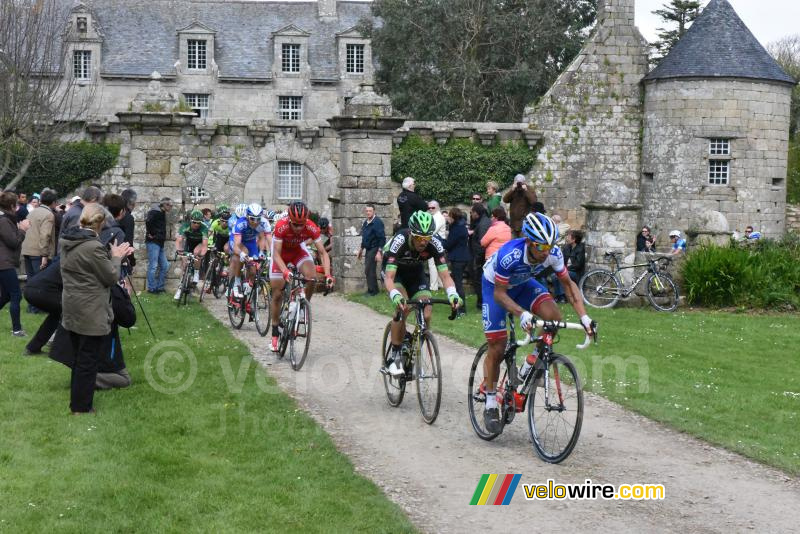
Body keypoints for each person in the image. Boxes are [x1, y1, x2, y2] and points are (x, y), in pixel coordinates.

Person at [480, 213, 596, 432]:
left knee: (553, 318)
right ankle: (490, 402)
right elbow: (500, 294)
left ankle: (528, 365)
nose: (547, 252)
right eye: (541, 247)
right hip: (495, 288)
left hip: (523, 284)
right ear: (529, 242)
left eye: (550, 246)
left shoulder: (552, 253)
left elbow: (569, 286)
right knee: (498, 345)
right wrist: (522, 314)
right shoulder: (510, 254)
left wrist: (585, 317)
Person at [60, 203, 133, 414]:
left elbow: (88, 270)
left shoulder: (69, 240)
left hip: (72, 304)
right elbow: (110, 276)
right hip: (90, 309)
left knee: (79, 358)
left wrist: (109, 256)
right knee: (88, 360)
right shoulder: (92, 246)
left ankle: (77, 402)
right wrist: (117, 257)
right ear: (100, 223)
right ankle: (82, 408)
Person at [382, 210, 463, 376]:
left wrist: (453, 294)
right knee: (402, 306)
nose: (423, 242)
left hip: (415, 273)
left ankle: (418, 341)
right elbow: (389, 278)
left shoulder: (434, 243)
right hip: (395, 272)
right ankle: (396, 355)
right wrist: (395, 295)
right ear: (412, 233)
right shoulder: (400, 240)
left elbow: (445, 276)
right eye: (419, 237)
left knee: (426, 311)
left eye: (427, 238)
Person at [269, 202, 333, 352]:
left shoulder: (311, 226)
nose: (298, 228)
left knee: (312, 277)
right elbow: (276, 254)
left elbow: (323, 253)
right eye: (295, 225)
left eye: (301, 225)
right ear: (289, 220)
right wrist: (285, 271)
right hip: (281, 255)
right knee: (277, 294)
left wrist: (328, 274)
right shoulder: (281, 226)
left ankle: (304, 306)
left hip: (297, 251)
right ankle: (274, 335)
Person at [50, 281, 136, 390]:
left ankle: (83, 375)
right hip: (94, 343)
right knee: (124, 379)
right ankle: (83, 378)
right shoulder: (110, 286)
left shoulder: (80, 276)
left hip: (69, 341)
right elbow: (128, 319)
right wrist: (125, 296)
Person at [0, 192, 30, 337]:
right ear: (12, 206)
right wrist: (22, 230)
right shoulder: (4, 221)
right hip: (4, 263)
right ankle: (17, 330)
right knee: (16, 295)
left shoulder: (6, 219)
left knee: (6, 296)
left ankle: (17, 329)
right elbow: (13, 242)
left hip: (5, 262)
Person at [229, 203, 271, 300]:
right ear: (247, 216)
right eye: (252, 219)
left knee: (253, 270)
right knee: (243, 253)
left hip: (251, 242)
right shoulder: (240, 223)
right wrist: (241, 254)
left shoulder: (264, 223)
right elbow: (237, 245)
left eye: (258, 219)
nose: (255, 222)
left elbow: (265, 239)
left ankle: (247, 286)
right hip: (238, 241)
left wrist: (266, 253)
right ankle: (237, 282)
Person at [23, 256, 63, 355]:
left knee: (57, 315)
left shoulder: (66, 258)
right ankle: (58, 348)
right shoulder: (75, 260)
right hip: (42, 292)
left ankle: (33, 348)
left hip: (30, 289)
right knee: (68, 313)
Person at [21, 188, 57, 286]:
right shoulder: (49, 214)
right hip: (39, 253)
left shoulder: (32, 212)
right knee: (40, 284)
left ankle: (30, 302)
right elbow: (45, 235)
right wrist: (45, 255)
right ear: (53, 202)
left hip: (27, 250)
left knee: (31, 283)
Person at [174, 209, 209, 300]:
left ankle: (196, 273)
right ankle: (180, 287)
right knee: (184, 262)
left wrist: (202, 255)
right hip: (189, 243)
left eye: (199, 223)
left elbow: (205, 245)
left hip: (199, 243)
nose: (197, 225)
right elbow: (179, 240)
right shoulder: (185, 226)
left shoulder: (204, 227)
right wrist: (179, 250)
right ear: (190, 221)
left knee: (197, 253)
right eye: (194, 222)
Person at [442, 207, 470, 318]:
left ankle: (461, 309)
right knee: (455, 283)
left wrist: (440, 240)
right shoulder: (460, 226)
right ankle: (456, 304)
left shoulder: (457, 228)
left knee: (458, 285)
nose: (448, 217)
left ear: (453, 217)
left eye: (449, 215)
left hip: (458, 258)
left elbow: (449, 244)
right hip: (462, 257)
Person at [145, 197, 172, 294]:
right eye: (170, 205)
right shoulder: (155, 212)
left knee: (165, 265)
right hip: (153, 243)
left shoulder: (162, 212)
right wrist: (152, 234)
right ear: (165, 205)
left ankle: (160, 287)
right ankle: (151, 288)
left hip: (160, 243)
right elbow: (148, 221)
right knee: (153, 266)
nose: (171, 207)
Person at [358, 204, 385, 297]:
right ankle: (372, 290)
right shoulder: (366, 222)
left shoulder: (377, 222)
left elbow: (382, 238)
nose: (368, 212)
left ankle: (373, 291)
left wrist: (379, 252)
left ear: (374, 211)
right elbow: (364, 237)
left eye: (370, 211)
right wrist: (361, 249)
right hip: (368, 249)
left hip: (375, 248)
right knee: (369, 270)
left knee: (369, 269)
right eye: (367, 211)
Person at [553, 230, 586, 302]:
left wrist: (566, 269)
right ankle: (558, 296)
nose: (567, 238)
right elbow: (561, 260)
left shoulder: (580, 248)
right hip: (567, 270)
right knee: (554, 275)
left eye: (568, 236)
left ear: (574, 239)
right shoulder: (567, 247)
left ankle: (563, 297)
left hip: (576, 273)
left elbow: (578, 264)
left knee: (561, 275)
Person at [468, 203, 491, 310]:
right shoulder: (483, 221)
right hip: (480, 256)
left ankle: (481, 303)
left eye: (472, 212)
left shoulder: (483, 224)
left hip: (481, 257)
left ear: (476, 213)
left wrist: (477, 260)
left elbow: (482, 243)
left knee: (479, 280)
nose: (471, 214)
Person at [426, 201, 447, 291]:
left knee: (432, 264)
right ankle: (440, 284)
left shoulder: (438, 217)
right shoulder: (435, 216)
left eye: (432, 208)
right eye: (429, 208)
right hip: (435, 242)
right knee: (436, 264)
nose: (430, 209)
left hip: (436, 243)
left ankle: (433, 286)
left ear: (437, 207)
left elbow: (432, 231)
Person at [119, 189, 138, 275]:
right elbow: (128, 242)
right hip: (121, 256)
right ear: (131, 203)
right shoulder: (128, 217)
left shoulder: (112, 213)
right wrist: (132, 262)